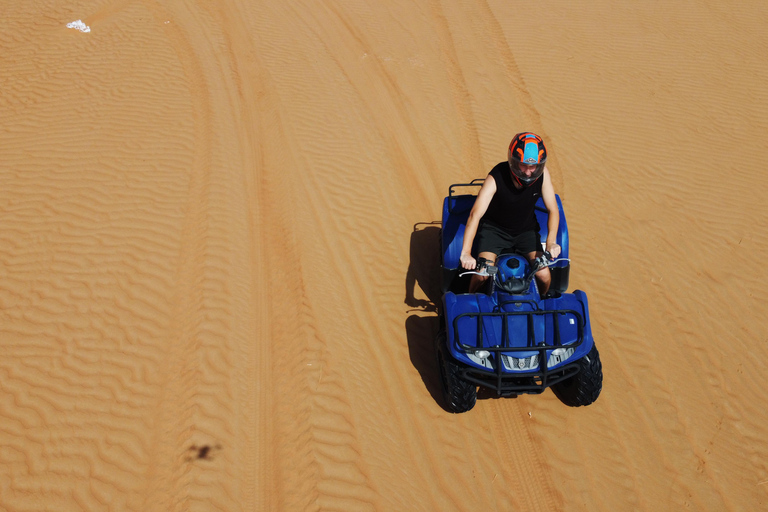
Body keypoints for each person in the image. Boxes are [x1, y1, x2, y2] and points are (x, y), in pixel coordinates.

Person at [459, 132, 561, 295]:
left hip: (526, 231)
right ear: (513, 161)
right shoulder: (496, 176)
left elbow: (553, 210)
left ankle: (541, 304)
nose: (528, 172)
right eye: (523, 166)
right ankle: (471, 300)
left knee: (544, 275)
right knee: (482, 274)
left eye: (533, 166)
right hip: (495, 231)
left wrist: (551, 242)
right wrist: (465, 253)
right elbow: (475, 215)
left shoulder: (543, 175)